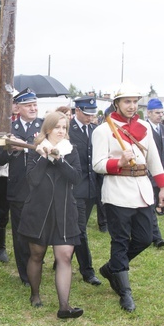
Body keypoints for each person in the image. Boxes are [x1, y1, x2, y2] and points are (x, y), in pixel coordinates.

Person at [92, 83, 164, 312]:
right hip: (117, 191)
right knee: (120, 240)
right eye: (127, 101)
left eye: (135, 101)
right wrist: (119, 162)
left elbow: (154, 159)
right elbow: (97, 164)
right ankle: (125, 293)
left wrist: (163, 188)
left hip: (142, 190)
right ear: (117, 104)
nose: (132, 106)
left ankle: (112, 268)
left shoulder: (144, 127)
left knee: (145, 238)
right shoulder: (104, 130)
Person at [18, 111, 84, 319]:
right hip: (39, 212)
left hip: (64, 211)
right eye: (57, 127)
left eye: (64, 127)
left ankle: (64, 306)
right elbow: (33, 180)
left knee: (64, 256)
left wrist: (59, 160)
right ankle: (35, 294)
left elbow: (76, 178)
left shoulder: (71, 151)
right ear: (48, 129)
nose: (61, 131)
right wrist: (45, 157)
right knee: (37, 255)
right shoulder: (36, 151)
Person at [0, 88, 43, 285]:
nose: (33, 108)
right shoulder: (10, 129)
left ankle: (37, 263)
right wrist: (10, 148)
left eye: (35, 104)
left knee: (39, 232)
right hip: (19, 190)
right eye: (28, 105)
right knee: (21, 234)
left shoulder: (45, 125)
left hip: (41, 189)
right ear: (18, 107)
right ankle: (25, 274)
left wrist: (26, 147)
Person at [68, 96, 102, 285]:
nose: (90, 118)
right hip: (75, 187)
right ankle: (87, 271)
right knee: (81, 230)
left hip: (91, 187)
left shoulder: (95, 130)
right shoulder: (68, 130)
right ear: (77, 111)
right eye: (87, 114)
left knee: (77, 228)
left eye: (92, 114)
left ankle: (62, 258)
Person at [144, 98, 164, 247]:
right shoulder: (144, 128)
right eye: (157, 113)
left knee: (150, 205)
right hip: (146, 173)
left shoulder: (163, 129)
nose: (160, 115)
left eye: (161, 112)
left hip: (159, 172)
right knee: (149, 205)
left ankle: (154, 235)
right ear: (149, 113)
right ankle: (156, 236)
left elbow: (162, 153)